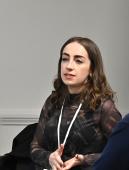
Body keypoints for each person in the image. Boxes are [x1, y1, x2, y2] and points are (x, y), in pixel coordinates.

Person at [30, 36, 121, 170]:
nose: (69, 66)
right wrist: (49, 157)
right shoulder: (53, 101)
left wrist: (83, 160)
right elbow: (35, 147)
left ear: (91, 69)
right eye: (65, 59)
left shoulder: (103, 106)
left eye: (78, 61)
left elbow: (120, 152)